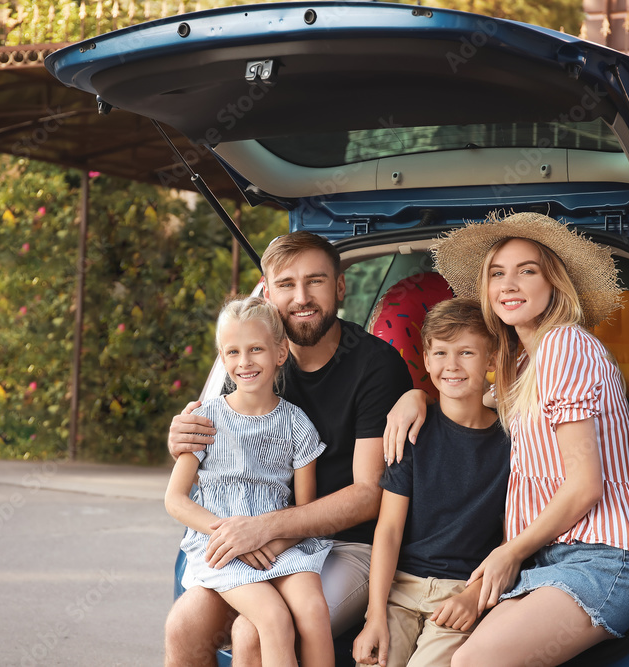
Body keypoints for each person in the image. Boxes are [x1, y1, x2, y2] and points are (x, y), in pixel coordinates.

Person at [389, 212, 629, 667]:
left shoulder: (564, 346)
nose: (509, 284)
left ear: (554, 282)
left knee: (472, 662)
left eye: (526, 271)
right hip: (546, 561)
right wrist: (415, 394)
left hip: (600, 560)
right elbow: (469, 393)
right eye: (497, 274)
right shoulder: (524, 367)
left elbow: (585, 484)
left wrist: (508, 552)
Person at [165, 231, 413, 666]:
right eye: (286, 284)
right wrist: (182, 439)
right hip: (250, 539)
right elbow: (210, 440)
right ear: (268, 292)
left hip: (345, 546)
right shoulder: (249, 360)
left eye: (315, 281)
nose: (301, 297)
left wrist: (267, 530)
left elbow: (367, 494)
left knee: (253, 633)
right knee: (184, 627)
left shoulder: (375, 366)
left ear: (339, 287)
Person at [165, 296, 334, 667]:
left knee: (314, 610)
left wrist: (270, 542)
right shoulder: (206, 420)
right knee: (273, 619)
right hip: (221, 550)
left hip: (280, 543)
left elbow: (304, 512)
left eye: (256, 349)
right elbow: (175, 499)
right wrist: (232, 537)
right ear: (222, 359)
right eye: (233, 352)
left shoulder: (296, 424)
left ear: (280, 352)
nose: (245, 362)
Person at [352, 297, 510, 667]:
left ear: (490, 360)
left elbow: (511, 536)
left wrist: (475, 596)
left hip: (462, 591)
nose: (451, 366)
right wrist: (374, 615)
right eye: (440, 353)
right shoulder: (412, 432)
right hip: (400, 588)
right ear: (425, 359)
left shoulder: (513, 441)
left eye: (466, 353)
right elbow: (388, 529)